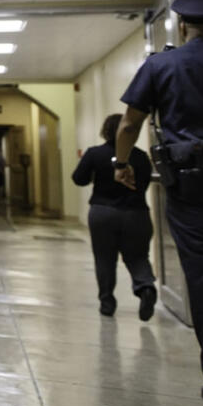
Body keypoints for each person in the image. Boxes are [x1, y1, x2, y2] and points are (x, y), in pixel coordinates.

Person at [114, 0, 203, 406]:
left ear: (181, 27)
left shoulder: (160, 65)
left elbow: (129, 122)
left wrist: (121, 163)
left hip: (191, 180)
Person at [72, 113, 157, 319]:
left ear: (106, 131)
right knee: (138, 256)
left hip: (103, 212)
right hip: (136, 213)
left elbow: (78, 179)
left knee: (104, 258)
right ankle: (145, 287)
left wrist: (96, 175)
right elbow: (143, 184)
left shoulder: (94, 154)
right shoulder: (141, 156)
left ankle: (107, 302)